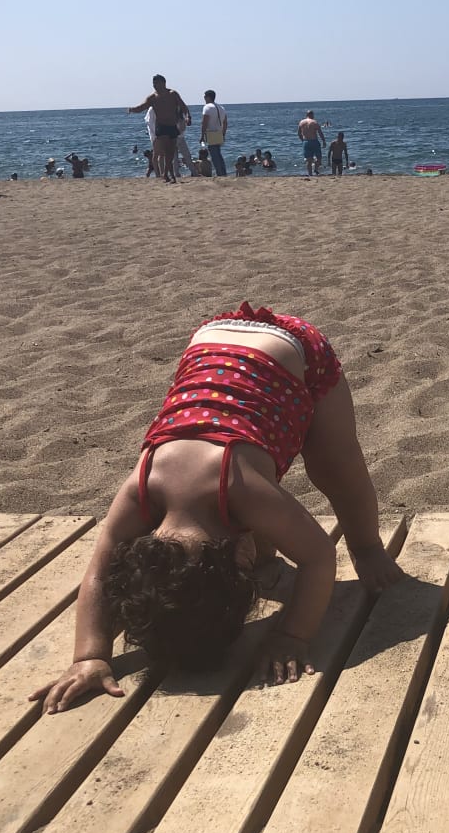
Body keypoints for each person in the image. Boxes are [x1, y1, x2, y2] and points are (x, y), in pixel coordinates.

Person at [28, 303, 404, 712]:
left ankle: (367, 546)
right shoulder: (142, 486)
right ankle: (280, 552)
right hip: (211, 345)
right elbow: (103, 570)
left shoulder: (241, 490)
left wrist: (292, 636)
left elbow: (319, 557)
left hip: (292, 353)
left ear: (241, 558)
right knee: (266, 512)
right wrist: (90, 655)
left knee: (336, 468)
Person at [129, 76, 188, 183]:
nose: (155, 85)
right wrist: (132, 109)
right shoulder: (152, 97)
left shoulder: (172, 94)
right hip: (161, 127)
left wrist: (188, 117)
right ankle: (171, 176)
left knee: (171, 153)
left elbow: (183, 106)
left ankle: (165, 173)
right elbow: (142, 107)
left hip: (172, 126)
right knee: (166, 151)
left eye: (157, 83)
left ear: (163, 83)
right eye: (153, 83)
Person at [200, 91, 229, 177]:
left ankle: (219, 173)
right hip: (219, 133)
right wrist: (223, 134)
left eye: (205, 96)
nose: (204, 98)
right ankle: (223, 172)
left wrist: (202, 135)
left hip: (211, 133)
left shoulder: (207, 107)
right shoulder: (221, 108)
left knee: (214, 155)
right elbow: (225, 123)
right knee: (218, 154)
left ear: (208, 97)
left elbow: (204, 123)